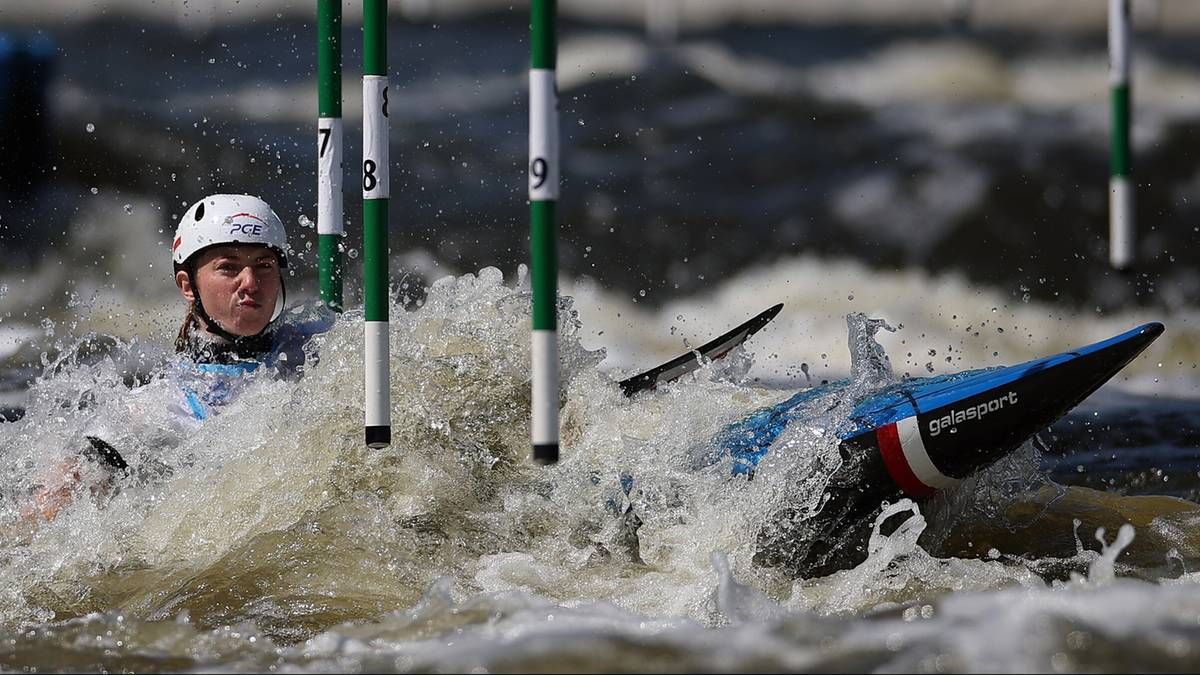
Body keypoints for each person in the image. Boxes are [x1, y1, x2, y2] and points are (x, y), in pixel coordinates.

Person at [23, 194, 333, 523]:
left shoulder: (324, 344)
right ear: (187, 285)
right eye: (228, 267)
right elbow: (48, 512)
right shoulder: (155, 409)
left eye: (264, 265)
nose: (250, 282)